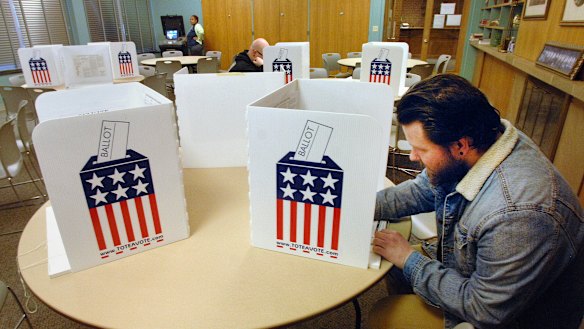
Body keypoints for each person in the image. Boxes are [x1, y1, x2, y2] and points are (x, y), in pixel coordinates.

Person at [371, 74, 584, 329]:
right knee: (392, 264)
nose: (413, 157)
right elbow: (420, 192)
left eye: (421, 150)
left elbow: (484, 309)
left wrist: (408, 258)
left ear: (461, 145)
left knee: (384, 315)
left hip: (512, 318)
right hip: (471, 274)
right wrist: (359, 206)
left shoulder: (519, 215)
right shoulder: (482, 143)